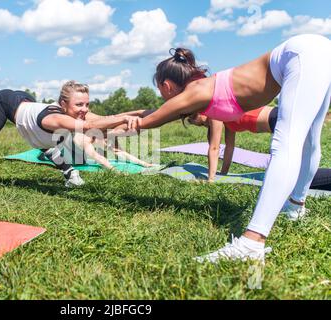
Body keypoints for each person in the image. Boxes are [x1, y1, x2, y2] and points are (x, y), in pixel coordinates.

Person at [137, 34, 331, 263]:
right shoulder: (205, 89)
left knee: (287, 142)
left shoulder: (198, 92)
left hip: (303, 53)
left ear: (166, 84)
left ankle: (251, 242)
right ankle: (296, 208)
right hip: (318, 48)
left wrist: (96, 124)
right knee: (309, 140)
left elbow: (151, 119)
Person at [0, 81, 141, 202]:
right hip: (6, 102)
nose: (84, 109)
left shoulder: (75, 113)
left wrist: (142, 115)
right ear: (63, 104)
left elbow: (104, 119)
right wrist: (124, 118)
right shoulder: (56, 118)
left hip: (26, 102)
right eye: (79, 104)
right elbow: (90, 126)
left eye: (87, 104)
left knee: (45, 142)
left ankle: (71, 176)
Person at [187, 107, 331, 193]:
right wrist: (223, 174)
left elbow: (214, 148)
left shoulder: (215, 114)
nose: (193, 123)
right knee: (294, 173)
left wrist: (211, 180)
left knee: (293, 174)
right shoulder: (226, 120)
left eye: (192, 119)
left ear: (199, 113)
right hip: (280, 121)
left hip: (281, 119)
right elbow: (229, 148)